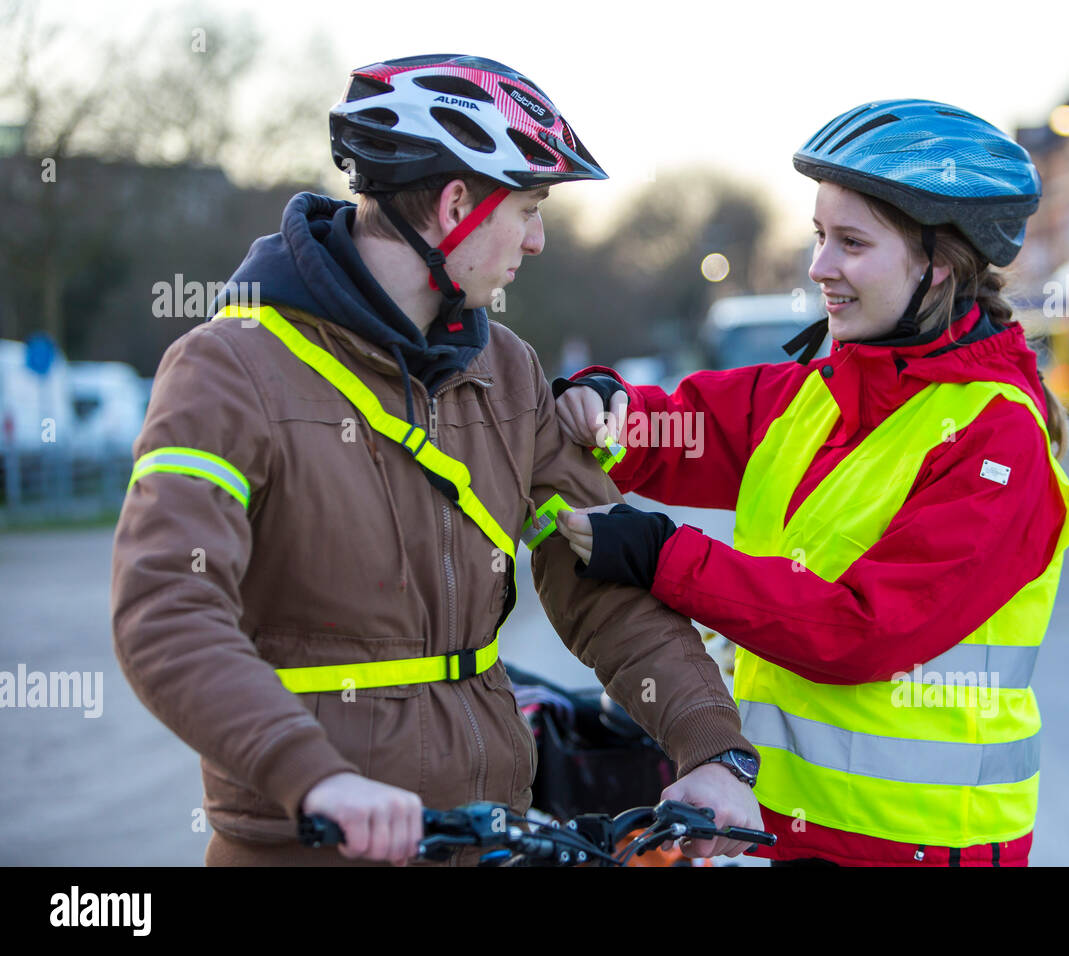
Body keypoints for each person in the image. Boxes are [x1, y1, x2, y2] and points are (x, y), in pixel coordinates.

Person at [109, 53, 761, 867]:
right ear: (456, 204)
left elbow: (605, 587)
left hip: (496, 837)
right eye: (526, 208)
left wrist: (711, 749)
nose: (538, 237)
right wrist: (313, 779)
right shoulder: (229, 369)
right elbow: (166, 609)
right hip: (307, 845)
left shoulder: (509, 371)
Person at [551, 99, 1069, 866]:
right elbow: (676, 429)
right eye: (818, 238)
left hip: (925, 843)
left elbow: (863, 629)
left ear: (937, 264)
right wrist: (603, 409)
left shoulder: (997, 437)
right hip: (785, 829)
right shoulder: (812, 394)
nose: (820, 268)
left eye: (851, 243)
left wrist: (664, 557)